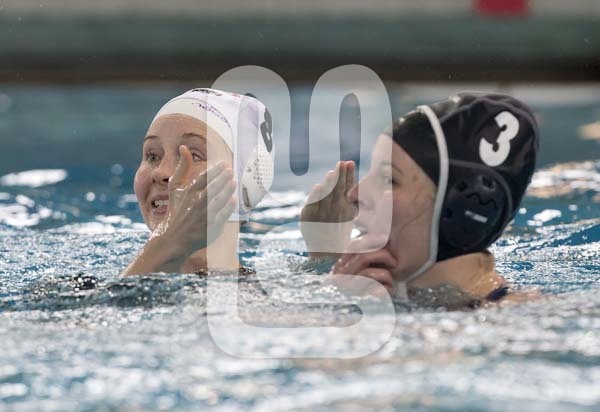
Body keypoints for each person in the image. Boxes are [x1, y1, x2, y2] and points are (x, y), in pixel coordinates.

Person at [301, 93, 540, 307]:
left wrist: (347, 312)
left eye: (389, 179)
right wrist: (327, 259)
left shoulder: (518, 319)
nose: (355, 194)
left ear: (463, 210)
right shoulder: (403, 296)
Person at [122, 89, 274, 276]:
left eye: (194, 155)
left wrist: (169, 244)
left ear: (247, 181)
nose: (161, 172)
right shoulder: (92, 284)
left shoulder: (267, 292)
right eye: (152, 156)